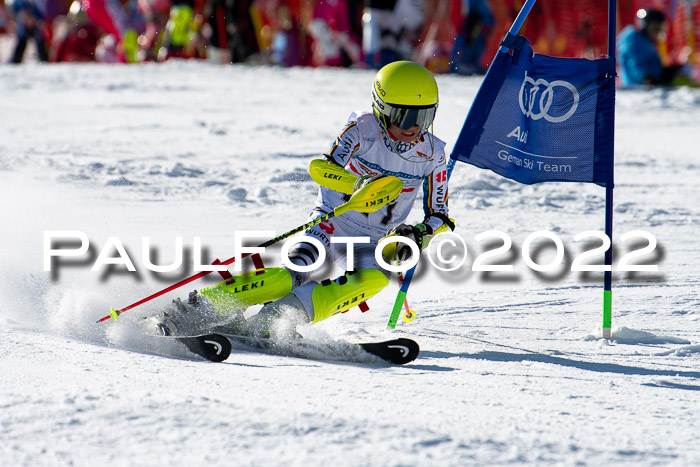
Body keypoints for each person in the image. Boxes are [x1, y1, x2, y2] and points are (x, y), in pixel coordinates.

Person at [159, 61, 453, 338]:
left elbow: (441, 216)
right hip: (331, 222)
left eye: (424, 116)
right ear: (381, 108)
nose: (413, 127)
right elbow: (321, 169)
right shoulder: (362, 131)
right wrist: (359, 184)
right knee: (294, 272)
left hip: (371, 239)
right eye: (404, 116)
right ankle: (201, 308)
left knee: (374, 279)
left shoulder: (434, 155)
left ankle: (274, 320)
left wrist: (418, 234)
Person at [617, 8, 683, 86]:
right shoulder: (635, 41)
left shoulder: (646, 41)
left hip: (648, 82)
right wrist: (645, 77)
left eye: (660, 29)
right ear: (645, 27)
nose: (658, 33)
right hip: (637, 87)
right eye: (654, 29)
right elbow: (633, 64)